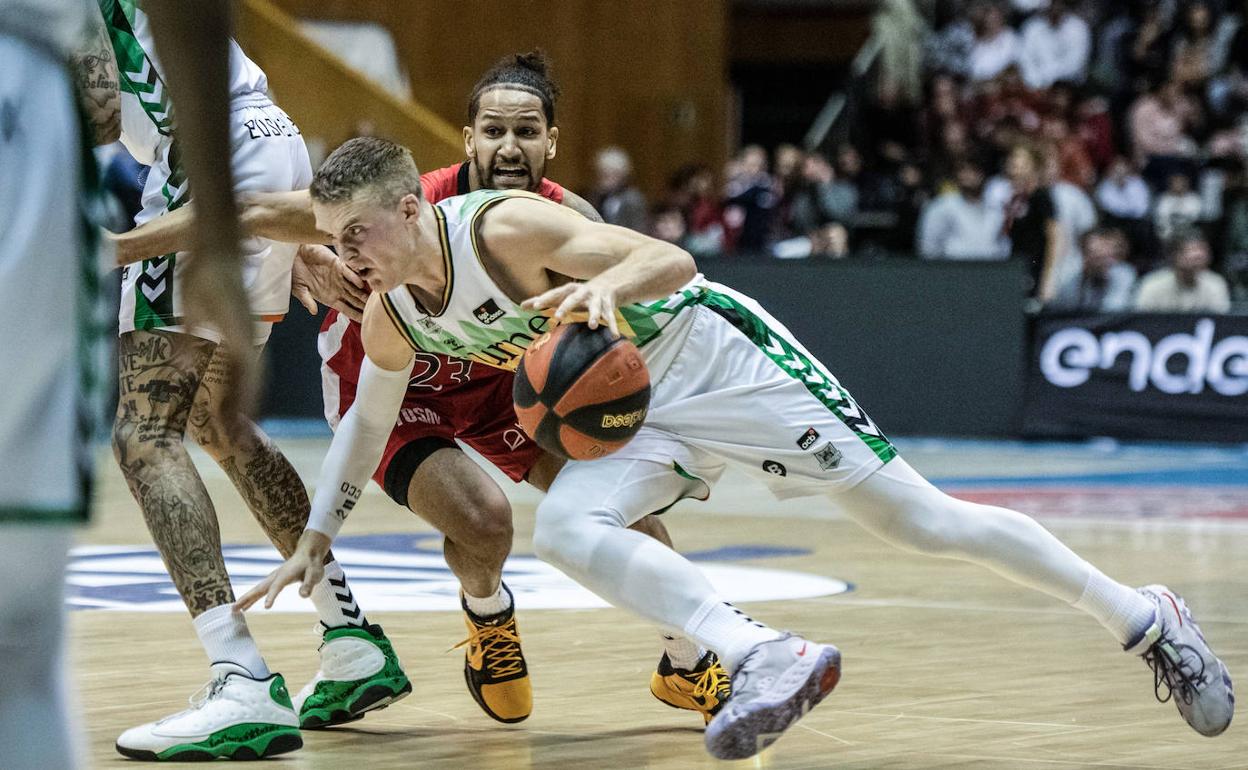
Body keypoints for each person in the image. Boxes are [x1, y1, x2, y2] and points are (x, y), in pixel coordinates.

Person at [243, 136, 1233, 760]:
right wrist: (316, 536)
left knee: (921, 520)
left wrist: (606, 288)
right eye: (334, 239)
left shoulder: (502, 225)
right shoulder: (391, 318)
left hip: (710, 355)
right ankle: (762, 650)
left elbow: (672, 258)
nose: (347, 254)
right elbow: (368, 424)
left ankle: (1146, 616)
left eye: (359, 231)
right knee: (570, 529)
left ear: (412, 209)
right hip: (637, 414)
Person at [114, 51, 731, 727]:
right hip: (395, 389)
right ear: (467, 139)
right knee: (483, 521)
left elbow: (654, 306)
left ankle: (685, 658)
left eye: (527, 132)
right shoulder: (402, 206)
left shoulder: (565, 218)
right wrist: (138, 249)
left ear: (552, 142)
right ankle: (488, 615)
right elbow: (255, 210)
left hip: (506, 385)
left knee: (627, 510)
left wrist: (671, 431)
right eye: (493, 131)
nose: (509, 146)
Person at [98, 1, 408, 759]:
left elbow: (100, 102)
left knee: (145, 434)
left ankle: (239, 677)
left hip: (205, 155)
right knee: (217, 424)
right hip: (266, 135)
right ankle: (348, 636)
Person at [1, 0, 258, 767]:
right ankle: (292, 653)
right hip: (24, 122)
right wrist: (215, 235)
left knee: (159, 434)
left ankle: (262, 665)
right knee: (17, 632)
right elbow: (106, 105)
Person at [917, 157, 1009, 260]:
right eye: (963, 171)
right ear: (956, 175)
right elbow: (928, 249)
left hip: (993, 270)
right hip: (953, 270)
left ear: (983, 174)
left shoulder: (996, 207)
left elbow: (1003, 244)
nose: (969, 176)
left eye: (974, 171)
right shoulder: (941, 206)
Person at [1135, 232, 1232, 312]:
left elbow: (1222, 322)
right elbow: (1140, 320)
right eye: (1190, 250)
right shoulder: (1152, 285)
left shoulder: (1216, 284)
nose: (1198, 256)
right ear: (1173, 255)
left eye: (1203, 251)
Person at [1047, 227, 1137, 311]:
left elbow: (1113, 309)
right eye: (1096, 255)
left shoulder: (1123, 274)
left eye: (1107, 255)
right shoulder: (1071, 277)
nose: (1103, 261)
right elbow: (1062, 309)